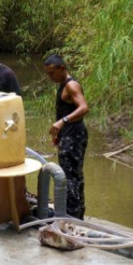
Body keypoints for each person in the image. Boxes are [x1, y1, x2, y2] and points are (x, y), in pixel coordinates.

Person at [44, 54, 89, 219]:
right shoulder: (62, 84)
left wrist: (62, 122)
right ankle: (74, 212)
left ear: (62, 68)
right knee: (69, 175)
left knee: (71, 178)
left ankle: (74, 215)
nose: (50, 77)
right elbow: (67, 110)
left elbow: (84, 108)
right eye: (48, 74)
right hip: (68, 136)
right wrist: (59, 134)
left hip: (74, 137)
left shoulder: (71, 86)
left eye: (52, 73)